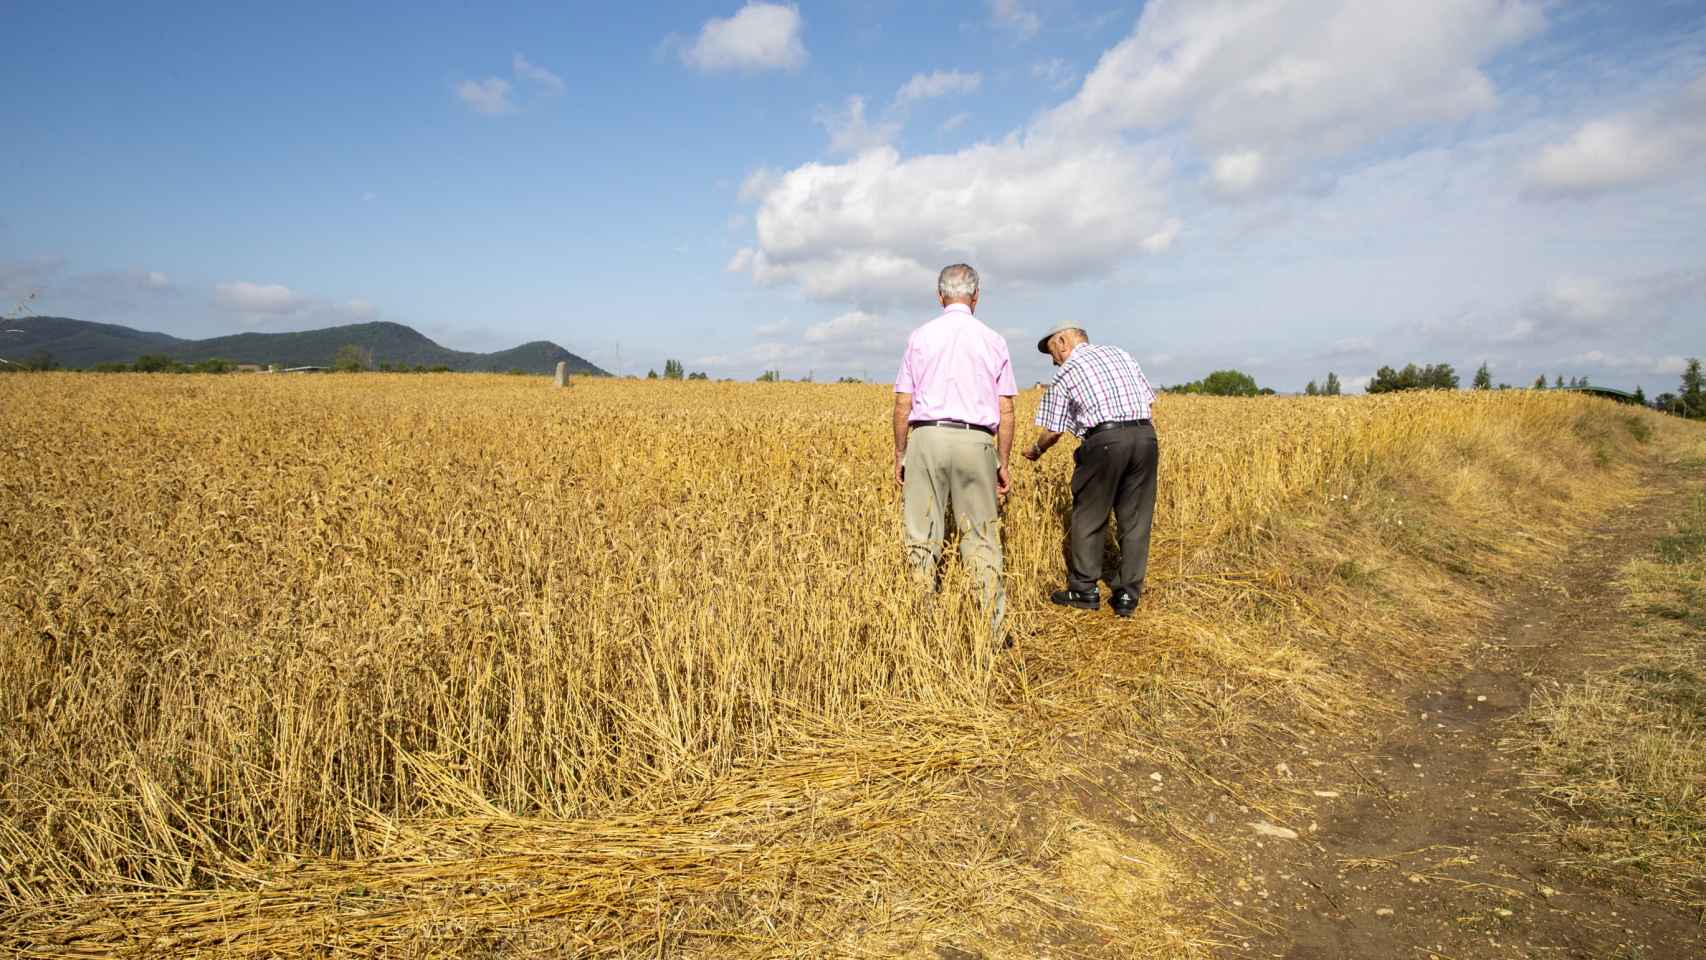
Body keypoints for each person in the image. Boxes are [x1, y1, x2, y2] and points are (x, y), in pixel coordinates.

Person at [893, 264, 1017, 633]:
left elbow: (902, 403)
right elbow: (1007, 408)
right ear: (976, 297)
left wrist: (901, 454)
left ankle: (921, 627)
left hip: (927, 437)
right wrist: (1002, 461)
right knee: (980, 538)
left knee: (921, 536)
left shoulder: (920, 337)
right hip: (977, 440)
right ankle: (991, 631)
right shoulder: (994, 340)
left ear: (939, 295)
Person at [1022, 322, 1158, 618]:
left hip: (1105, 441)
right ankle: (1127, 596)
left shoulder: (1067, 371)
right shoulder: (1120, 354)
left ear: (1062, 343)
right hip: (1146, 437)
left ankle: (1084, 590)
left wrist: (1036, 450)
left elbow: (1054, 430)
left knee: (1089, 515)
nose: (1053, 360)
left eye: (1051, 353)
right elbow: (1148, 400)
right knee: (1135, 519)